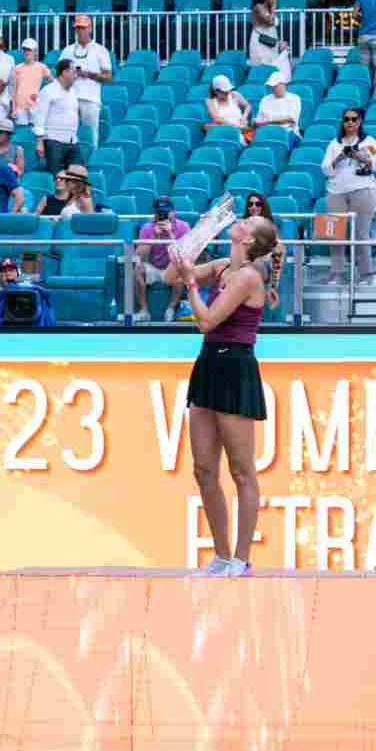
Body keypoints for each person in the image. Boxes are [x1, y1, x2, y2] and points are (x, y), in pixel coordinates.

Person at [164, 216, 283, 578]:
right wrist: (192, 243)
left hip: (235, 367)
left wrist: (190, 285)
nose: (240, 220)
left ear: (248, 239)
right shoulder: (220, 267)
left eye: (247, 221)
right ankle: (219, 555)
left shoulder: (248, 277)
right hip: (209, 365)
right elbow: (170, 277)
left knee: (241, 471)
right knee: (203, 469)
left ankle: (241, 558)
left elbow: (206, 321)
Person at [321, 106, 376, 285]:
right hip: (335, 191)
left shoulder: (368, 141)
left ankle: (366, 275)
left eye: (354, 119)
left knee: (361, 233)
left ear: (360, 121)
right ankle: (337, 274)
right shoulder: (334, 143)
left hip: (363, 190)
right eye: (346, 119)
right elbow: (325, 169)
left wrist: (361, 157)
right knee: (333, 233)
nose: (350, 122)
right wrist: (338, 158)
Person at [134, 195, 191, 323]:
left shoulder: (184, 227)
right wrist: (153, 237)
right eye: (160, 213)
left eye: (167, 212)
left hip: (173, 268)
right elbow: (138, 256)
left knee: (182, 269)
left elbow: (184, 255)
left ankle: (170, 309)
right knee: (138, 269)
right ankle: (144, 311)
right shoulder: (147, 228)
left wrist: (171, 235)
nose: (163, 215)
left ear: (174, 212)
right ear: (154, 213)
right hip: (154, 268)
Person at [59, 14, 112, 149]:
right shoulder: (68, 50)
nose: (80, 31)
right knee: (68, 134)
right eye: (78, 28)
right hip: (70, 97)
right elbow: (59, 73)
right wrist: (70, 75)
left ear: (90, 29)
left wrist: (90, 74)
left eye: (83, 28)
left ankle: (92, 162)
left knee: (91, 135)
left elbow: (108, 77)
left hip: (91, 98)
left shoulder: (100, 50)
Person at [33, 59, 82, 175]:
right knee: (57, 178)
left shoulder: (74, 92)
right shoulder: (48, 91)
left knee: (78, 177)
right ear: (64, 72)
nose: (76, 75)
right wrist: (39, 142)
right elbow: (39, 116)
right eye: (74, 72)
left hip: (72, 141)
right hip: (54, 141)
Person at [254, 72, 301, 151]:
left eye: (275, 86)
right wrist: (255, 122)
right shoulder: (265, 99)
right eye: (272, 86)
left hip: (287, 132)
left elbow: (291, 118)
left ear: (284, 84)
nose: (273, 88)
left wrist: (268, 121)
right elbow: (259, 120)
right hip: (267, 132)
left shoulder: (294, 98)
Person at [10, 38, 50, 127]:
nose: (26, 52)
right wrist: (13, 109)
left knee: (36, 131)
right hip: (20, 106)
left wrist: (41, 96)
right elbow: (13, 90)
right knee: (22, 131)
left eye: (29, 50)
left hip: (35, 105)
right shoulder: (16, 68)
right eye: (24, 49)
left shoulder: (42, 67)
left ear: (35, 51)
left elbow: (53, 83)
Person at [248, 0, 288, 67]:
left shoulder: (269, 8)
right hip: (260, 45)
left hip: (271, 44)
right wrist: (274, 5)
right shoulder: (258, 7)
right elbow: (270, 22)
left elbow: (271, 30)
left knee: (273, 67)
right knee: (263, 68)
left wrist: (279, 43)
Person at [206, 75, 251, 140]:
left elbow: (248, 105)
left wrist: (244, 116)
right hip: (222, 132)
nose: (227, 93)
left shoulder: (235, 94)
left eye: (228, 90)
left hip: (240, 131)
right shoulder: (210, 102)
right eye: (224, 92)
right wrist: (235, 126)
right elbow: (217, 119)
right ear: (216, 91)